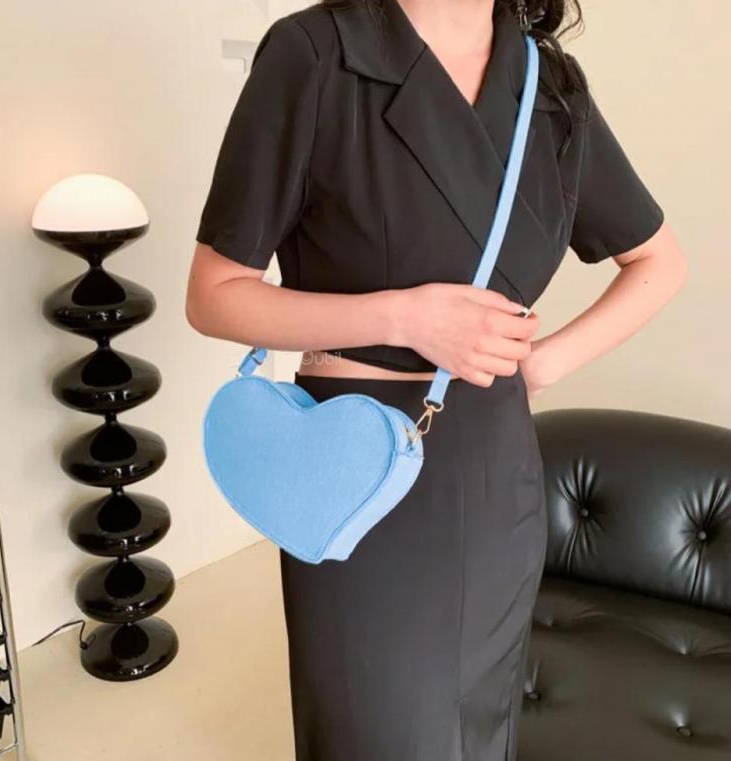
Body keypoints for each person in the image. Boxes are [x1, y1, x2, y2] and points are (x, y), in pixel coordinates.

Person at [185, 1, 687, 759]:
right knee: (376, 734)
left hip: (498, 479)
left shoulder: (549, 85)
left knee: (481, 731)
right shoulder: (317, 53)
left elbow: (658, 262)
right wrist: (403, 317)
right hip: (359, 474)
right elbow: (214, 295)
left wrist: (542, 363)